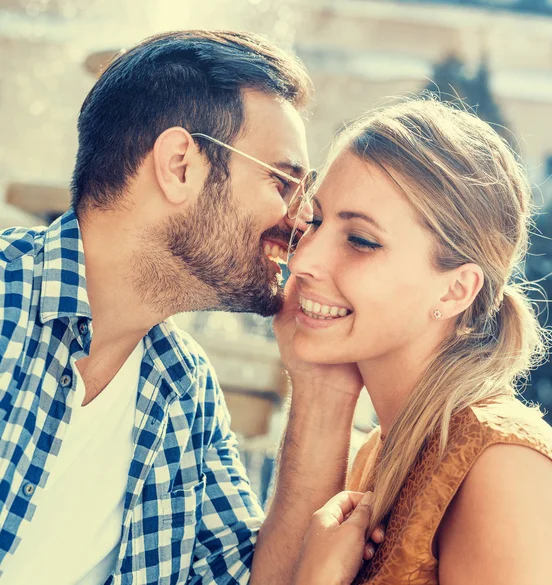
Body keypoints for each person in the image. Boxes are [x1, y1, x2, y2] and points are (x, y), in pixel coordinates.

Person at [0, 30, 375, 585]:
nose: (300, 221)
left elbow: (257, 581)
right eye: (284, 181)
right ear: (180, 165)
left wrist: (322, 383)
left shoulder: (183, 390)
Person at [273, 97, 552, 585]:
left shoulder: (504, 469)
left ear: (456, 289)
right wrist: (319, 386)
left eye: (361, 241)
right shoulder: (379, 453)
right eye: (315, 221)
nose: (303, 261)